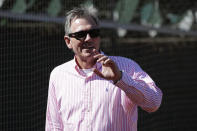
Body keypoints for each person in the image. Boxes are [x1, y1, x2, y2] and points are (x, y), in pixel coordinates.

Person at [45, 6, 162, 131]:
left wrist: (120, 78)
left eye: (94, 33)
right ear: (68, 41)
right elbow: (54, 126)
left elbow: (154, 102)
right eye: (81, 34)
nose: (89, 39)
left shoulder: (126, 67)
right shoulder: (58, 75)